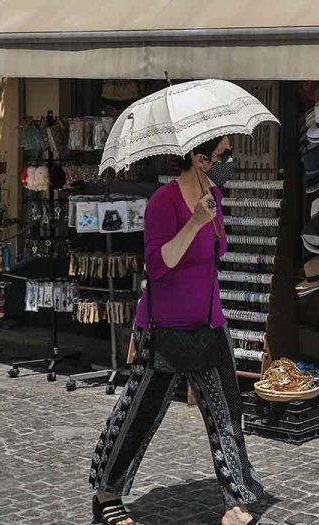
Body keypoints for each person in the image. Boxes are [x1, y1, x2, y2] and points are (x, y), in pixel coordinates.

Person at [89, 136, 263, 525]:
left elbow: (219, 253)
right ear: (201, 160)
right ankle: (106, 494)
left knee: (226, 416)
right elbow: (157, 265)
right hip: (163, 328)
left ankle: (236, 499)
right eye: (224, 155)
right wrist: (195, 222)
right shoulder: (162, 202)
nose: (229, 161)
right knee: (140, 412)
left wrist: (211, 219)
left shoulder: (214, 197)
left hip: (209, 322)